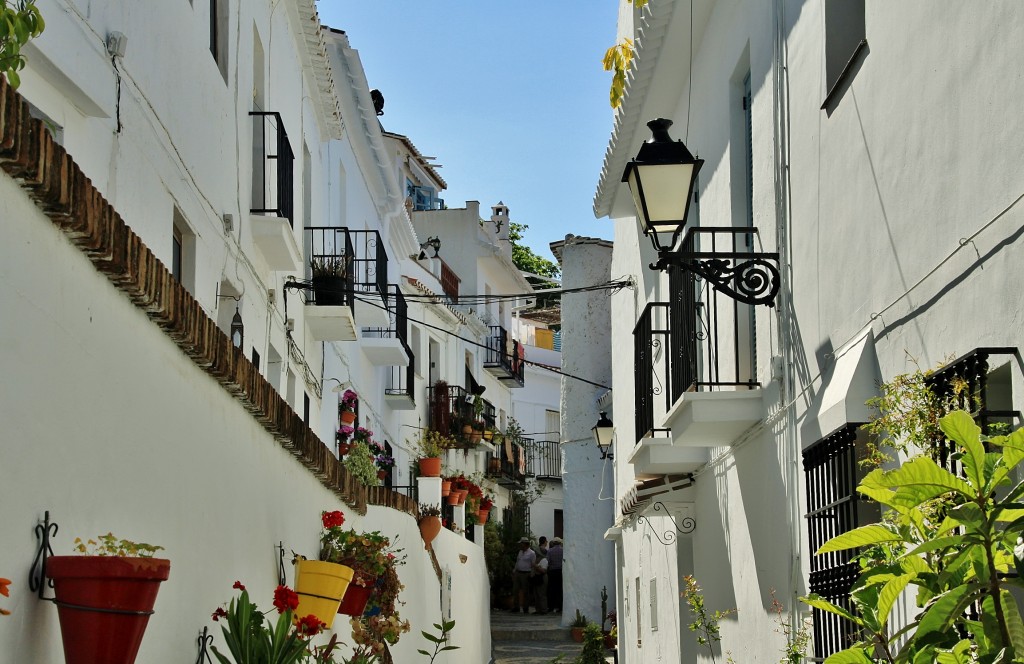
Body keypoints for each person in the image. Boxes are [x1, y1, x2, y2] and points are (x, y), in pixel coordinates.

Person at [512, 537, 536, 614]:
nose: (520, 545)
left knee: (526, 591)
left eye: (521, 544)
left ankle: (526, 607)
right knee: (515, 590)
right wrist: (514, 570)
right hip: (518, 573)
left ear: (525, 544)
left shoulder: (532, 553)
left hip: (526, 573)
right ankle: (516, 607)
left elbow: (533, 564)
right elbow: (517, 561)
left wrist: (532, 574)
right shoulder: (520, 552)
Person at [547, 537, 563, 613]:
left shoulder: (550, 551)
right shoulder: (563, 550)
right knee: (560, 589)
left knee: (552, 589)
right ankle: (560, 607)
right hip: (560, 571)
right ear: (560, 543)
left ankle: (551, 607)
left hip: (552, 571)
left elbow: (548, 561)